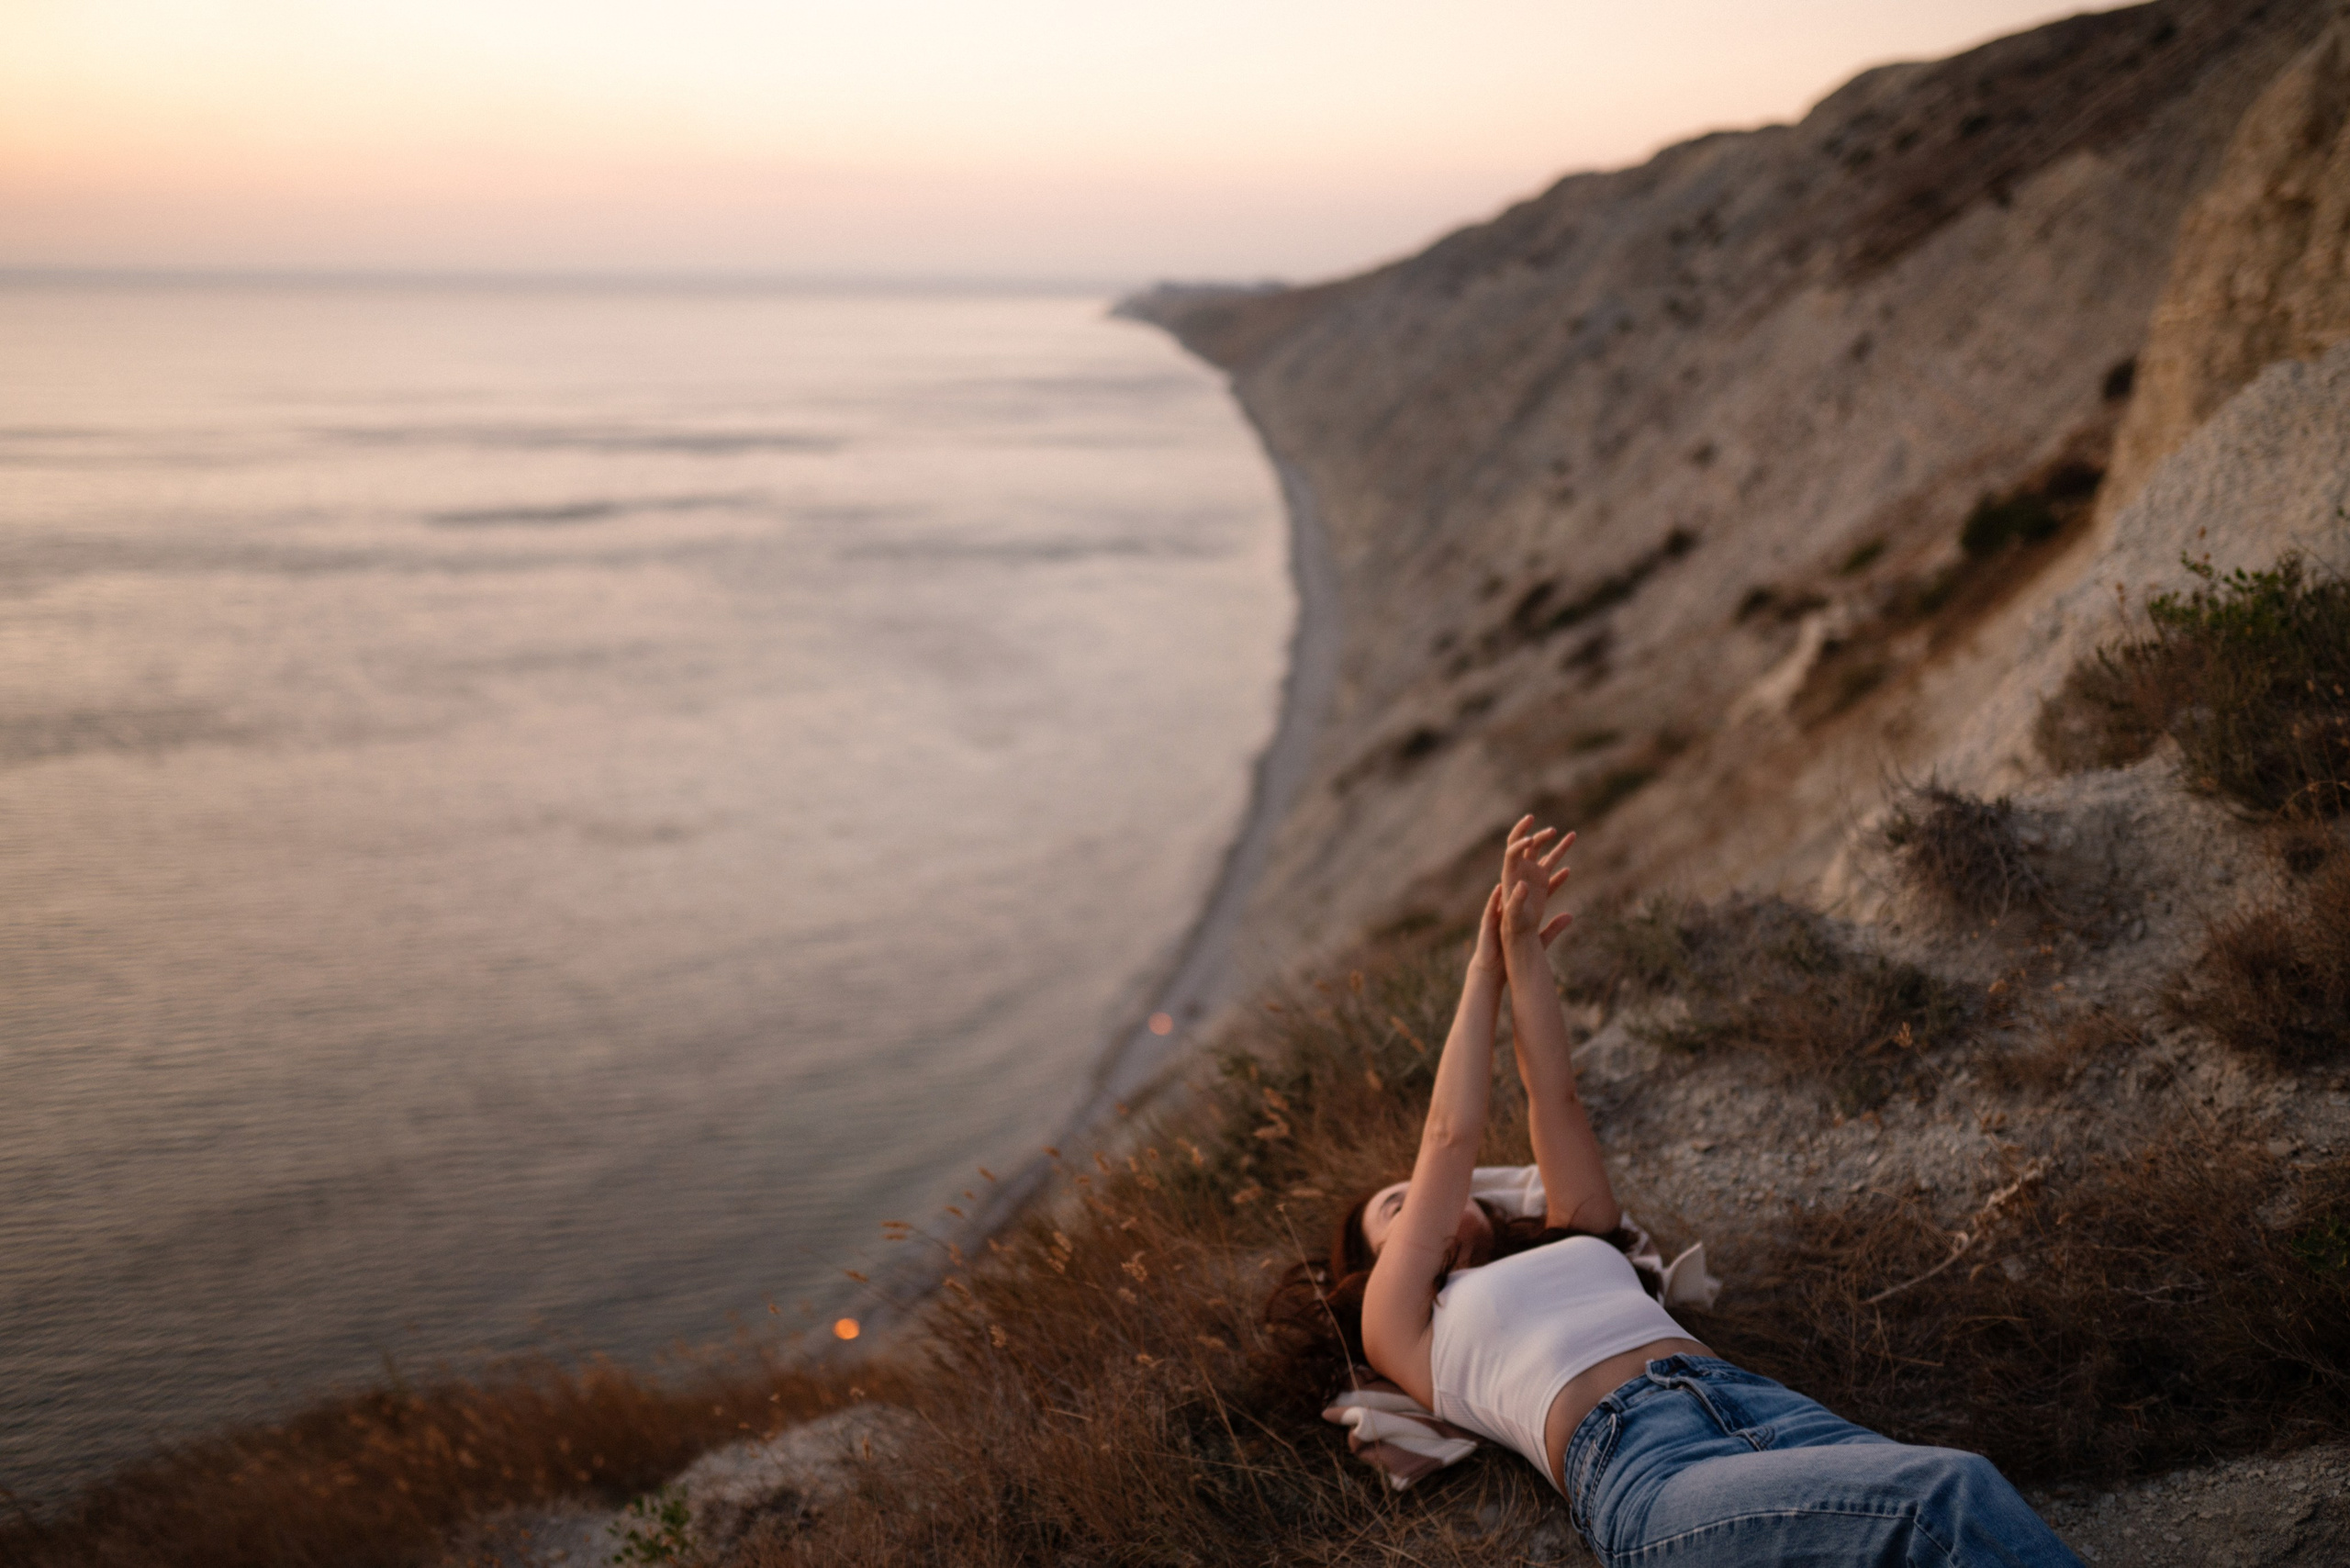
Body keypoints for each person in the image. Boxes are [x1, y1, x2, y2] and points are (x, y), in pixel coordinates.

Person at [1281, 815, 2081, 1567]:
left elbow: (1552, 1096)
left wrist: (1523, 948)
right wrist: (1481, 970)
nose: (1421, 1194)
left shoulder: (1581, 1235)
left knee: (1931, 1519)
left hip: (1762, 1406)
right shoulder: (1400, 1327)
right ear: (1374, 1261)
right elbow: (1448, 1138)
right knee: (1946, 1494)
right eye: (1398, 1204)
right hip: (1642, 1467)